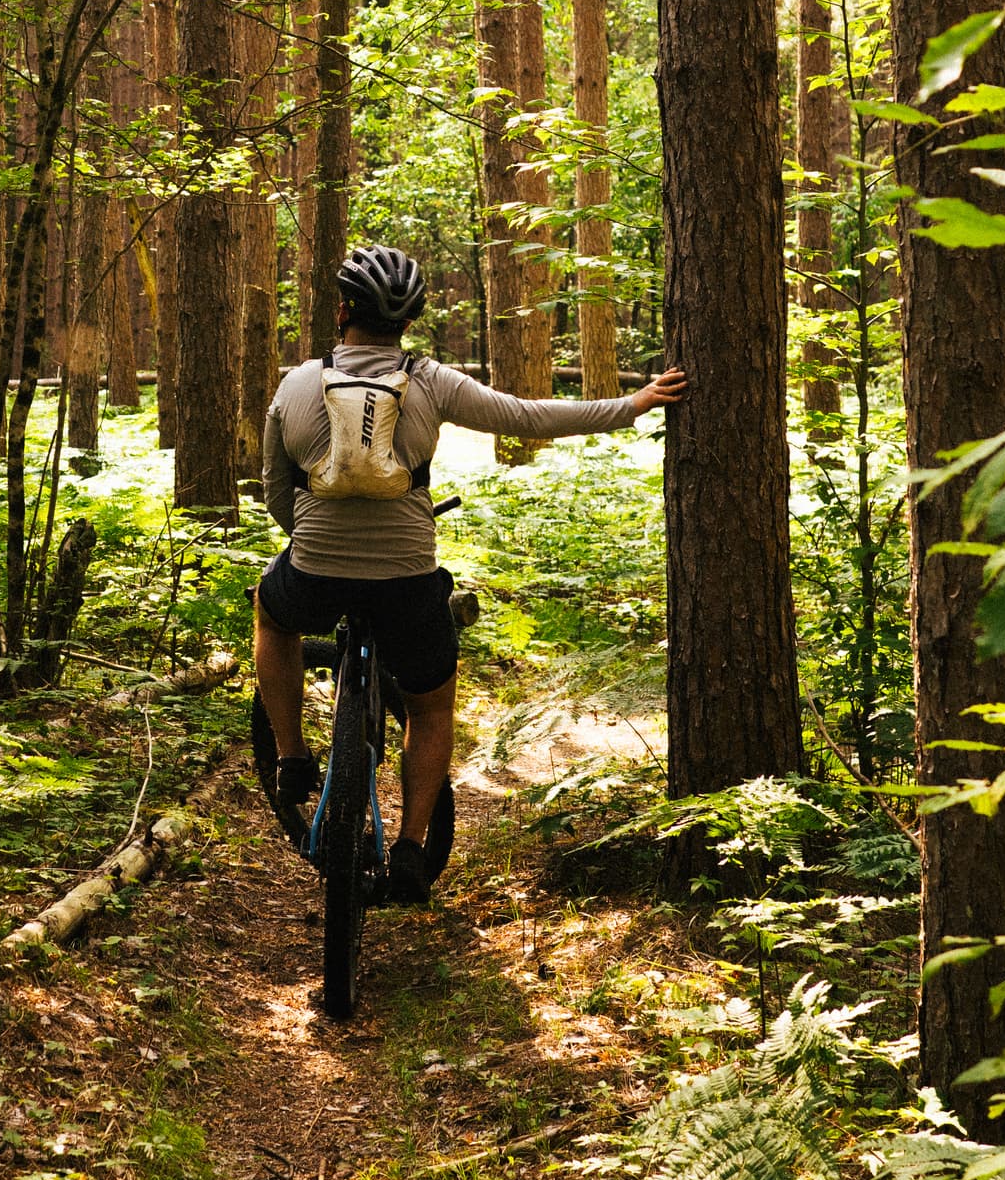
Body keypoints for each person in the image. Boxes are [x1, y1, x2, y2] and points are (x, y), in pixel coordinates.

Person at [257, 243, 687, 905]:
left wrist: (315, 545)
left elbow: (276, 494)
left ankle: (290, 757)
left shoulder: (295, 385)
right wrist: (632, 404)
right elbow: (526, 416)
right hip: (407, 581)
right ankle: (409, 847)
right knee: (429, 709)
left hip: (316, 569)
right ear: (410, 319)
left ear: (342, 309)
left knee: (272, 610)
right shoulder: (429, 381)